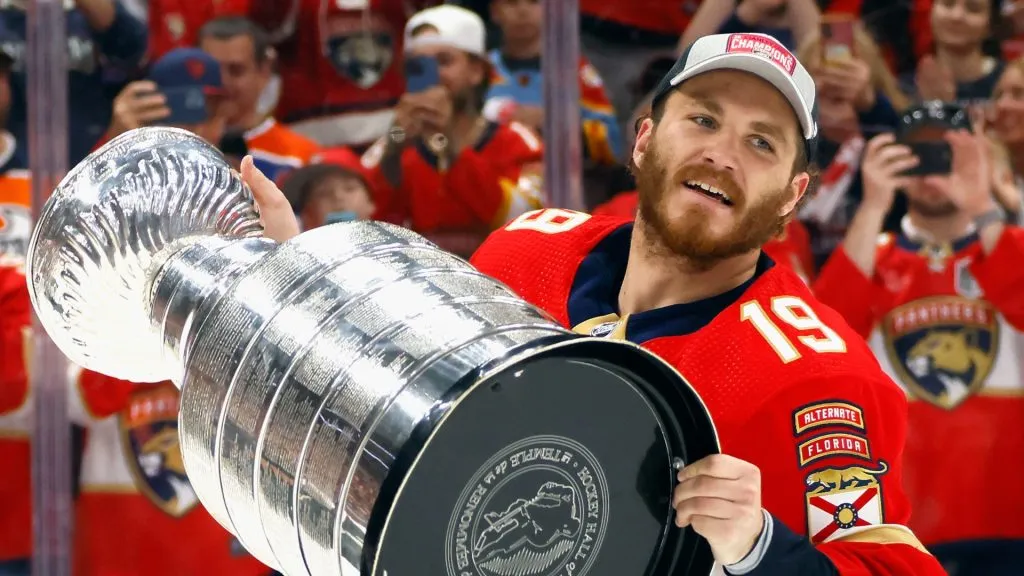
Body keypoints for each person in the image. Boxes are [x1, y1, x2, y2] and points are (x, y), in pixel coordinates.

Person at [246, 32, 945, 574]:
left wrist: (760, 549)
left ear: (793, 196)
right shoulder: (523, 251)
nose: (723, 154)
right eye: (703, 119)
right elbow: (394, 405)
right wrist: (304, 286)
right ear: (644, 141)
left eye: (761, 142)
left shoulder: (819, 377)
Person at [813, 102, 1024, 575]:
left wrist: (982, 205)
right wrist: (872, 205)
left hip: (1010, 516)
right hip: (903, 526)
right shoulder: (871, 255)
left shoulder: (1007, 247)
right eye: (918, 154)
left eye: (946, 153)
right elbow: (826, 342)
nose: (931, 170)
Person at [362, 4, 544, 257]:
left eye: (444, 61)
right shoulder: (394, 142)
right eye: (419, 66)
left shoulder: (517, 140)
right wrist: (393, 147)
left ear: (476, 71)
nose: (434, 76)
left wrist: (452, 145)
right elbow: (366, 228)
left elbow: (524, 220)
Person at [198, 16, 320, 184]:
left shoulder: (301, 157)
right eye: (211, 70)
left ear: (264, 71)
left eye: (236, 70)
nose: (222, 82)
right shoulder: (174, 144)